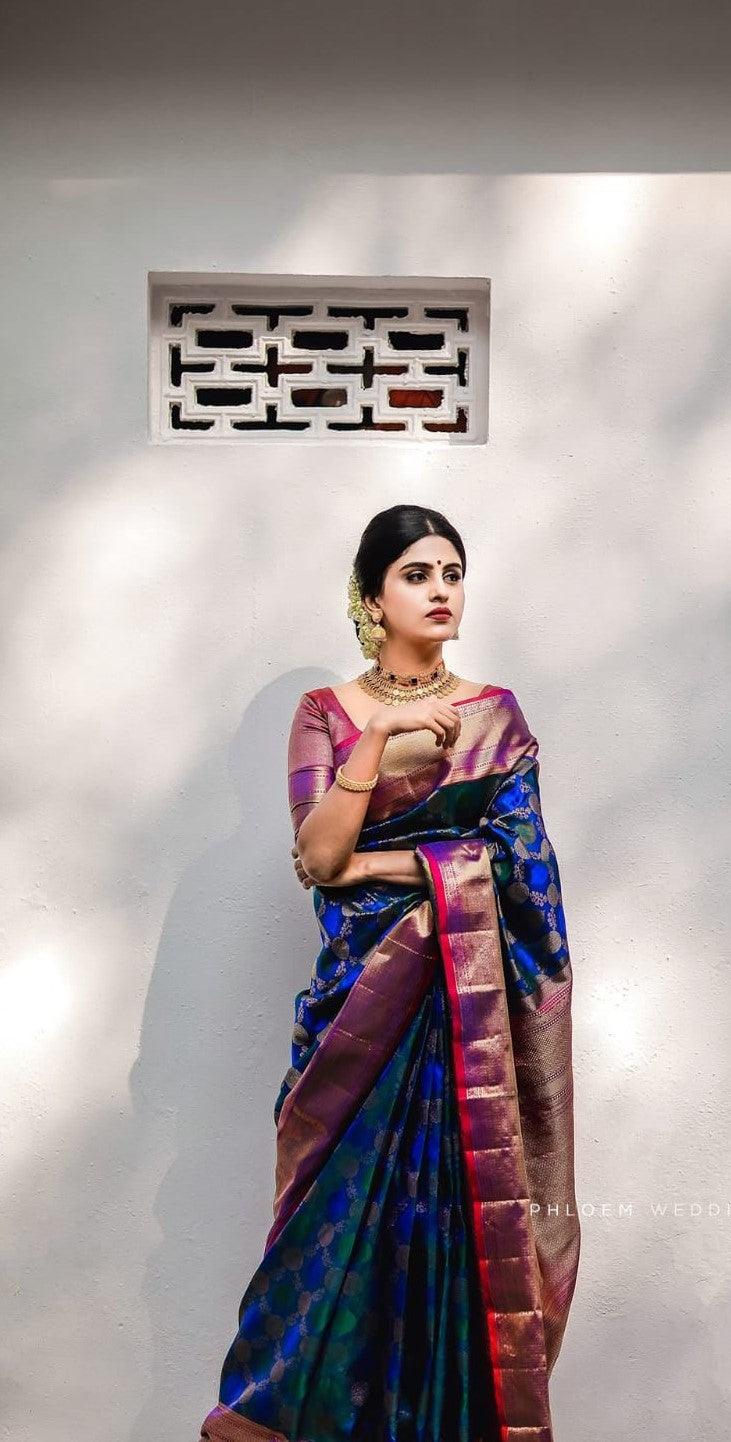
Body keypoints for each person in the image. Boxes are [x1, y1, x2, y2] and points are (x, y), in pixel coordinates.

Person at [198, 503, 580, 1442]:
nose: (442, 590)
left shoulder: (497, 719)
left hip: (465, 1030)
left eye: (452, 571)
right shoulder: (325, 716)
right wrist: (380, 746)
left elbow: (521, 871)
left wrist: (383, 864)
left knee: (453, 1244)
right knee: (325, 1245)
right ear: (372, 598)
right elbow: (321, 856)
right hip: (356, 1016)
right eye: (417, 574)